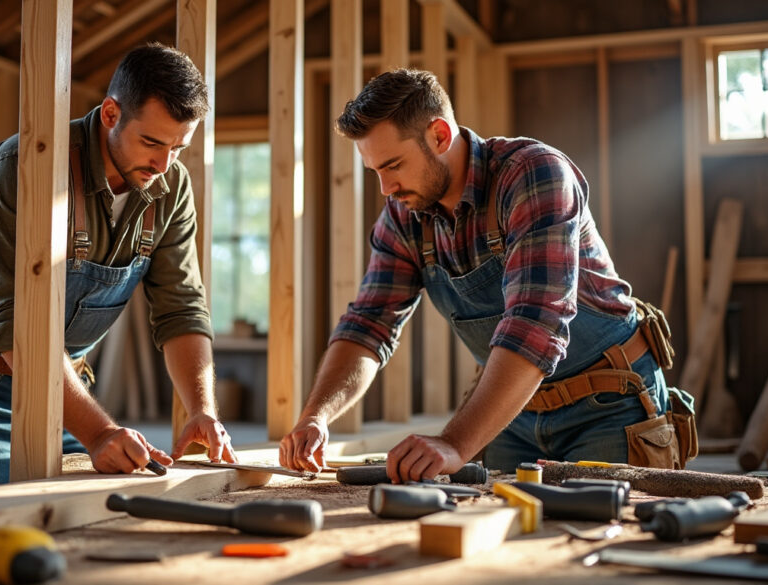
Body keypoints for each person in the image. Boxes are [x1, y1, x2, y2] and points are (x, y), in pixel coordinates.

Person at [279, 69, 695, 482]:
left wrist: (456, 443)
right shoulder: (405, 216)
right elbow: (368, 325)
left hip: (608, 403)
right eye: (376, 172)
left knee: (602, 532)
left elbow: (536, 322)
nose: (386, 188)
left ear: (440, 136)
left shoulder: (533, 174)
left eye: (393, 166)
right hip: (511, 414)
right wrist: (316, 416)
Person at [0, 43, 236, 495]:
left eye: (178, 148)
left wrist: (202, 409)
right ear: (110, 114)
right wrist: (100, 433)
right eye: (151, 142)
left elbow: (181, 308)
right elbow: (16, 326)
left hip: (65, 392)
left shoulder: (171, 186)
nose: (164, 165)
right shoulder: (27, 165)